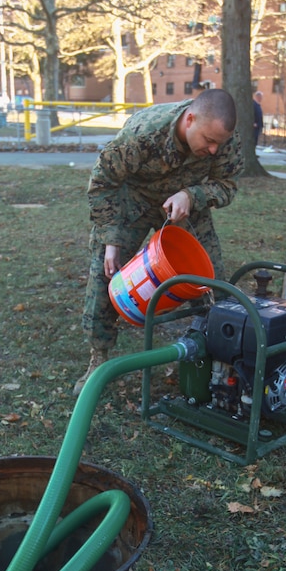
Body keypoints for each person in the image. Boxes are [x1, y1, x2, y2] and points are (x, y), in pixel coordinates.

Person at [74, 89, 244, 395]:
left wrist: (192, 196)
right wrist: (111, 239)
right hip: (132, 199)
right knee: (105, 272)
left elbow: (228, 185)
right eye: (208, 141)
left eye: (219, 142)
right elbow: (102, 182)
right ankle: (98, 360)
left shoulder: (222, 136)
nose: (215, 149)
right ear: (190, 119)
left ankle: (218, 355)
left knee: (211, 281)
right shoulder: (144, 132)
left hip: (184, 203)